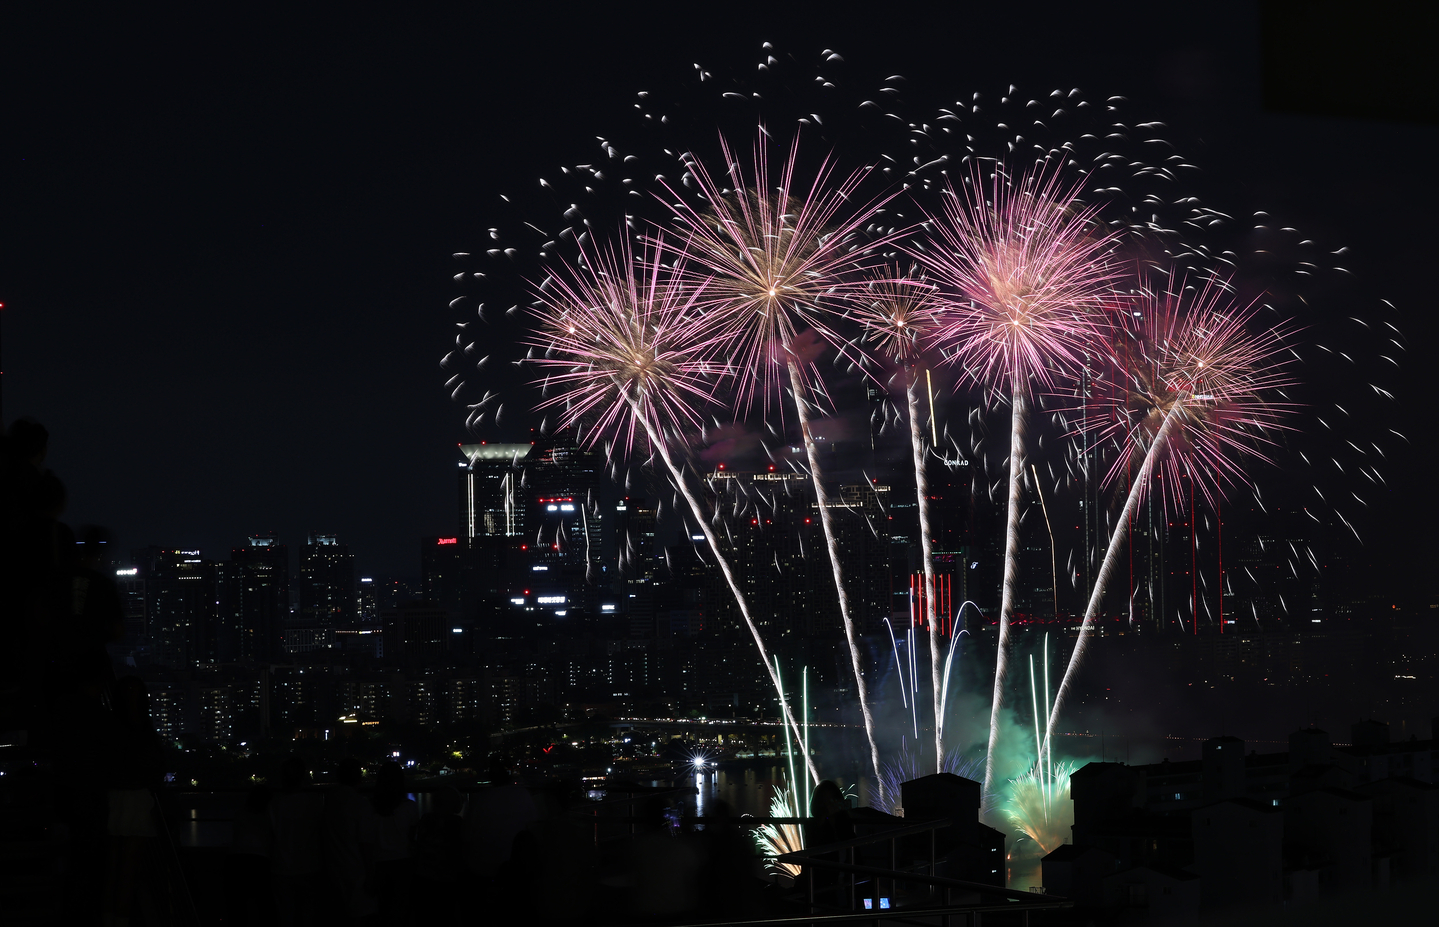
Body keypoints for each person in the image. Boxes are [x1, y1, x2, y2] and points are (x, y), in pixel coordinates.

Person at [102, 676, 165, 927]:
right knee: (124, 867)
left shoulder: (112, 726)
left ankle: (112, 918)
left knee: (115, 866)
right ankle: (119, 919)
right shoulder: (142, 729)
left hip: (120, 796)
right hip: (133, 796)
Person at [269, 756, 326, 926]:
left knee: (285, 914)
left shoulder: (274, 802)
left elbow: (270, 833)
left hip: (281, 865)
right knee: (308, 913)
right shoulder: (315, 801)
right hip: (309, 864)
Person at [324, 757, 376, 924]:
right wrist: (371, 874)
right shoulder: (360, 804)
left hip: (332, 867)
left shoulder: (329, 800)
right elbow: (366, 842)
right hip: (355, 868)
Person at [370, 761, 418, 923]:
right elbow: (411, 837)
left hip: (377, 862)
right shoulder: (409, 807)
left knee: (381, 908)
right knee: (401, 908)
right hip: (403, 861)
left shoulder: (369, 807)